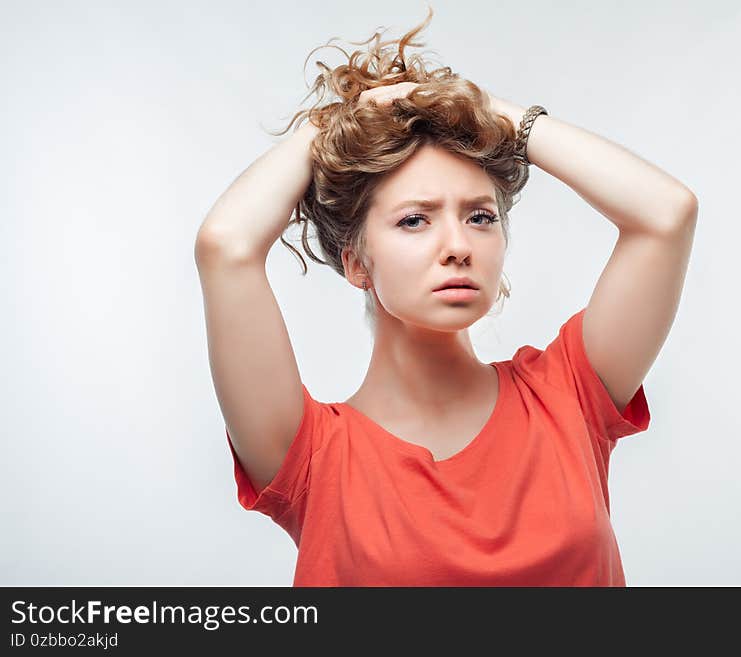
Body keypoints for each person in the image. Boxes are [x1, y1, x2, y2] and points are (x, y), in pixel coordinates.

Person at [194, 7, 697, 586]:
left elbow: (666, 213)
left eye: (480, 216)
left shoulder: (569, 396)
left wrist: (493, 114)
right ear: (357, 262)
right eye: (414, 221)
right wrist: (337, 122)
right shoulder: (312, 456)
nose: (458, 245)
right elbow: (225, 245)